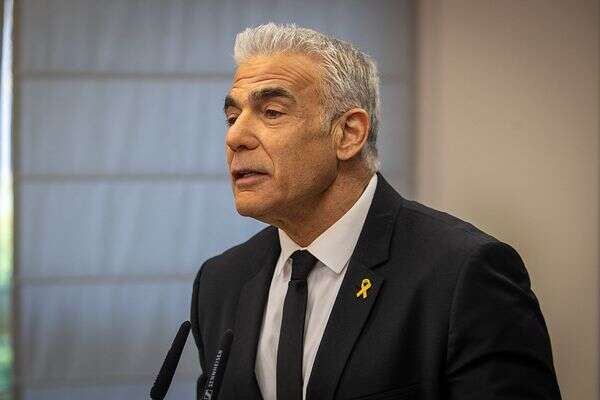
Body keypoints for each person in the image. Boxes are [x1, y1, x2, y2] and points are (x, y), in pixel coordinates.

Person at [190, 23, 561, 400]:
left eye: (271, 112)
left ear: (349, 133)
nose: (234, 138)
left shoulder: (463, 274)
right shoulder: (221, 282)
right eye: (232, 118)